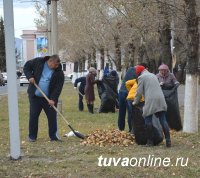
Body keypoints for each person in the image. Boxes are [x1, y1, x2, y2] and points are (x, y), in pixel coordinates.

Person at [23, 54, 64, 142]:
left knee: (52, 117)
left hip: (49, 98)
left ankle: (53, 137)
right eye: (55, 64)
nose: (57, 66)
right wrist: (30, 76)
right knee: (33, 115)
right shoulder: (38, 61)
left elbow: (58, 87)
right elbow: (26, 67)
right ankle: (32, 137)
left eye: (57, 65)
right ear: (50, 61)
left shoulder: (59, 72)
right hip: (35, 96)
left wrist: (53, 99)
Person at [132, 65, 171, 147]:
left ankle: (150, 142)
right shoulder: (153, 75)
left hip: (151, 100)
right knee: (163, 120)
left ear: (138, 73)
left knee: (147, 119)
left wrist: (135, 102)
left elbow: (139, 92)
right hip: (161, 99)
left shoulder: (141, 77)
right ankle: (168, 140)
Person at [118, 63, 148, 132]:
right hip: (129, 93)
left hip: (121, 91)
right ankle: (131, 129)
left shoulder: (129, 69)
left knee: (121, 112)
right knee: (130, 113)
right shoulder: (139, 72)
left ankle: (120, 128)